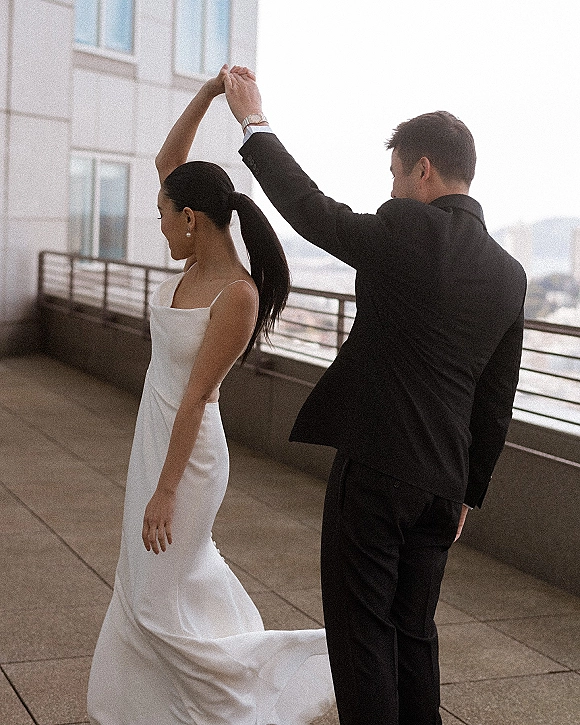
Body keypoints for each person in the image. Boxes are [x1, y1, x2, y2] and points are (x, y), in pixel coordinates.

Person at [224, 67, 527, 725]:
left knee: (362, 633)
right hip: (443, 485)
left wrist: (254, 122)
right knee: (414, 632)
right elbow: (495, 400)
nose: (390, 188)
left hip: (379, 470)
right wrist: (466, 491)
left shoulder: (405, 229)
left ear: (421, 170)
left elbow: (310, 211)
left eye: (394, 173)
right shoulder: (509, 273)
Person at [87, 65, 335, 725]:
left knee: (154, 593)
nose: (162, 228)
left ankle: (231, 701)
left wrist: (165, 490)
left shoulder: (237, 295)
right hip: (155, 437)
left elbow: (196, 399)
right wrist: (207, 94)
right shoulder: (195, 262)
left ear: (192, 220)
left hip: (188, 459)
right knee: (154, 584)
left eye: (166, 219)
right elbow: (171, 160)